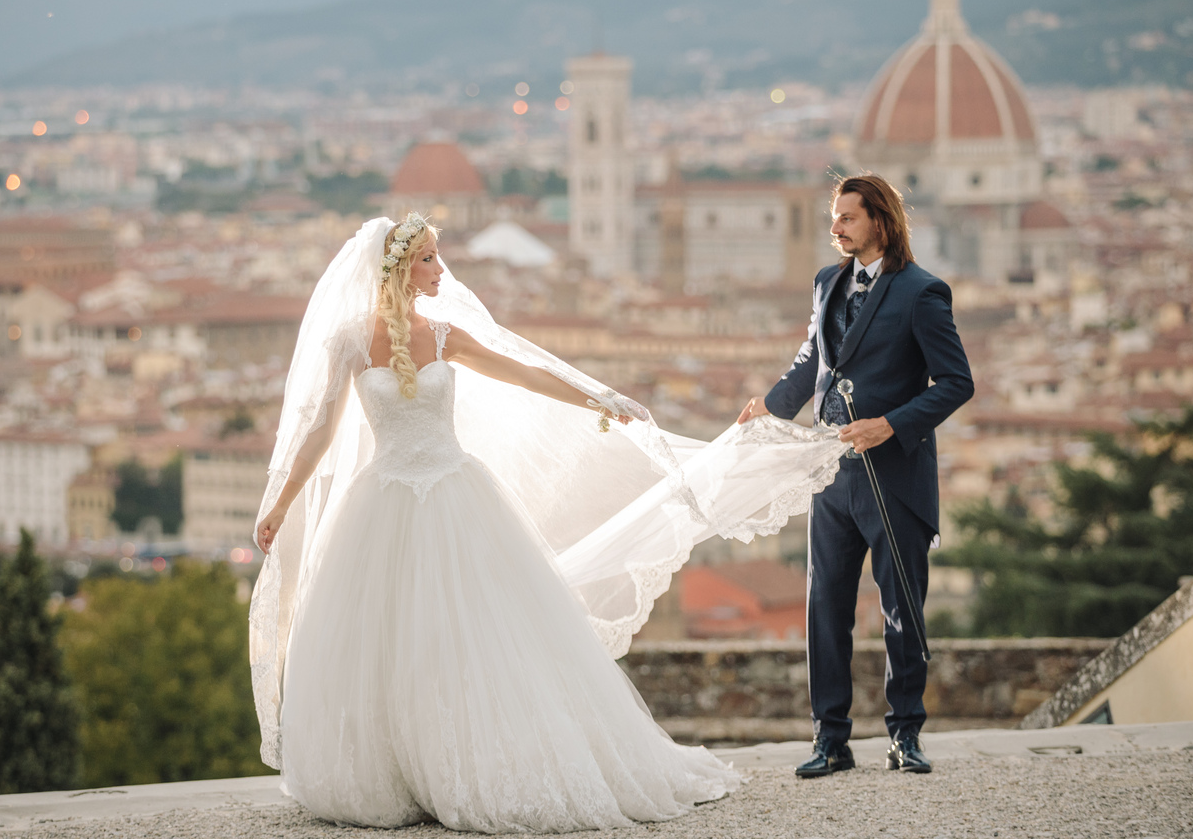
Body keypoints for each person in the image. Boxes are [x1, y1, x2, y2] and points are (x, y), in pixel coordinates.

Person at [250, 213, 849, 833]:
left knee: (478, 636)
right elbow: (317, 430)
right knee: (390, 640)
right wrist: (280, 502)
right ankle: (399, 769)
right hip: (385, 500)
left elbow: (522, 372)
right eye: (428, 259)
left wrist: (598, 399)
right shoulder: (349, 339)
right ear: (398, 268)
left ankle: (465, 762)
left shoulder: (444, 334)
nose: (440, 269)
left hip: (456, 492)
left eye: (436, 256)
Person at [738, 175, 974, 778]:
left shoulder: (923, 293)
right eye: (833, 216)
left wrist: (890, 424)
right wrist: (767, 408)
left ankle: (905, 735)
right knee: (825, 605)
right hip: (831, 475)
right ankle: (830, 739)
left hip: (894, 474)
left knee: (902, 609)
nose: (835, 226)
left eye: (847, 217)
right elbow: (810, 362)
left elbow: (956, 383)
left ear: (880, 221)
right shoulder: (826, 283)